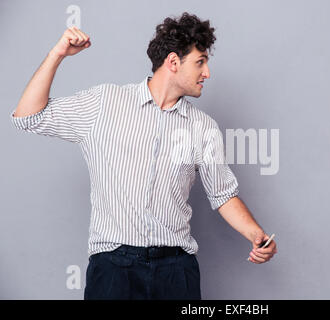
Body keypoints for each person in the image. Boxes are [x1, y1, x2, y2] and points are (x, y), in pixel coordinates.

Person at [10, 12, 277, 300]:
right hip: (113, 268)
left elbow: (223, 194)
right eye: (200, 62)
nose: (207, 73)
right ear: (173, 62)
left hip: (177, 270)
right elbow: (28, 117)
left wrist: (255, 234)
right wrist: (57, 54)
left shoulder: (203, 127)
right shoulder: (105, 103)